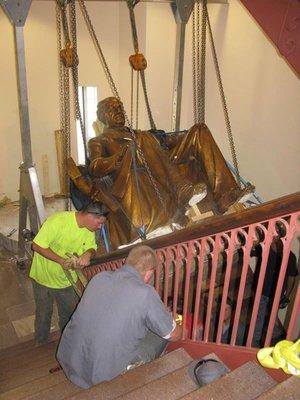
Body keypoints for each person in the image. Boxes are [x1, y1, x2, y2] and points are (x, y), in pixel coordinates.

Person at [57, 245, 182, 389]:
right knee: (161, 335)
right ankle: (132, 378)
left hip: (69, 360)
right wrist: (174, 322)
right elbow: (174, 335)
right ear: (149, 273)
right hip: (100, 378)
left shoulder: (99, 278)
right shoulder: (145, 293)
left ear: (126, 262)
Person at [29, 202, 108, 345]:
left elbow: (92, 247)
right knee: (43, 314)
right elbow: (36, 245)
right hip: (43, 279)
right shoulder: (57, 221)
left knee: (68, 314)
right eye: (99, 223)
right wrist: (60, 260)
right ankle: (40, 343)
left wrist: (88, 254)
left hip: (67, 282)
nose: (100, 227)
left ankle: (67, 343)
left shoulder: (89, 230)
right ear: (89, 215)